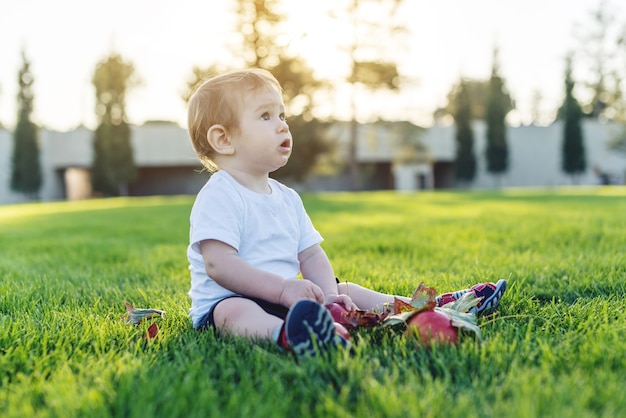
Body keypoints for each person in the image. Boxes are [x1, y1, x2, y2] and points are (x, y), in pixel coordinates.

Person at [186, 68, 506, 357]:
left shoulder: (287, 198)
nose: (283, 125)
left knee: (345, 290)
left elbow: (310, 255)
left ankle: (420, 307)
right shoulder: (220, 194)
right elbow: (219, 264)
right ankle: (288, 336)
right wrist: (282, 289)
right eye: (265, 116)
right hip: (228, 303)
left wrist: (327, 295)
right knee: (235, 310)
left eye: (282, 115)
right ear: (223, 139)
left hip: (288, 299)